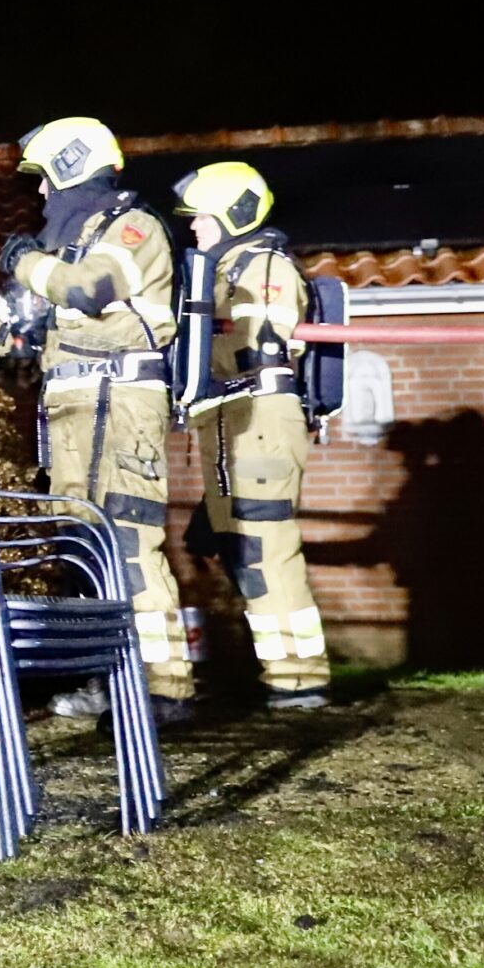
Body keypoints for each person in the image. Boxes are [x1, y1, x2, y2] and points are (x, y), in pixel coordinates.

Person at [0, 116, 192, 721]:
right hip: (75, 413)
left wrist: (26, 260)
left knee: (130, 545)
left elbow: (86, 290)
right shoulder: (72, 249)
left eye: (48, 178)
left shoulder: (131, 230)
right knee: (83, 549)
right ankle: (108, 681)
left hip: (121, 406)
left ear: (75, 167)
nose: (43, 192)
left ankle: (165, 689)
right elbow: (20, 333)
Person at [175, 160, 330, 708]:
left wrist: (197, 330)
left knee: (266, 550)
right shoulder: (223, 269)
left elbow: (262, 339)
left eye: (202, 216)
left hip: (260, 416)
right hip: (231, 420)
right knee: (242, 553)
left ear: (233, 214)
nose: (194, 226)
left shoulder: (264, 264)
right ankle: (279, 672)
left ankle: (300, 678)